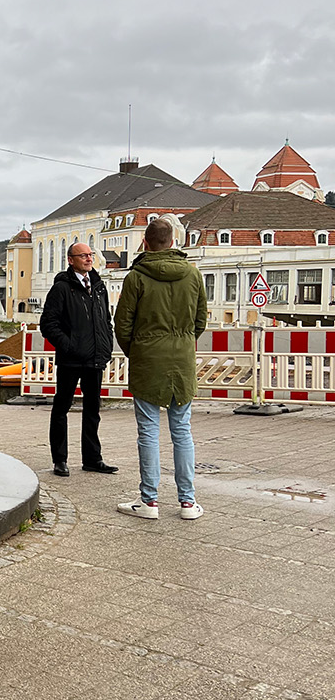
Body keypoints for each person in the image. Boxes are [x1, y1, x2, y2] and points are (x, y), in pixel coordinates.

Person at [113, 216, 208, 521]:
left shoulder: (136, 277)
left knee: (148, 432)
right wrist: (182, 343)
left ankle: (149, 501)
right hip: (181, 362)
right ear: (173, 241)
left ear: (146, 242)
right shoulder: (193, 276)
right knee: (182, 431)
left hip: (147, 360)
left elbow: (122, 324)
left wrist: (137, 351)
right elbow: (200, 321)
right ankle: (188, 503)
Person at [39, 241, 118, 477]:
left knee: (93, 410)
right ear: (71, 260)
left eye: (90, 255)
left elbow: (106, 320)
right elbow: (48, 325)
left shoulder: (99, 287)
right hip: (71, 360)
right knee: (61, 408)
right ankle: (60, 460)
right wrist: (69, 345)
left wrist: (107, 343)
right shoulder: (62, 289)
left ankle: (93, 459)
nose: (88, 259)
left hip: (95, 358)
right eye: (83, 255)